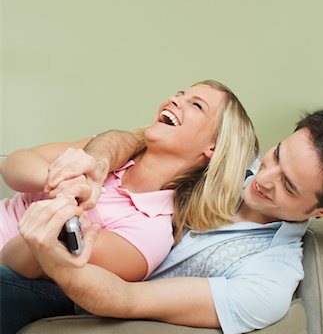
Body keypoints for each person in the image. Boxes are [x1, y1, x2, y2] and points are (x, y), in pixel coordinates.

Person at [1, 109, 323, 334]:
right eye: (277, 155)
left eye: (289, 186)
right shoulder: (229, 161)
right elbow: (138, 142)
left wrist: (57, 259)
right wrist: (97, 162)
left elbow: (127, 300)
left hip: (74, 288)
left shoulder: (266, 282)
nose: (262, 178)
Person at [0, 80, 258, 283]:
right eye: (180, 93)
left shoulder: (148, 236)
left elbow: (18, 264)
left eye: (196, 105)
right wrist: (62, 181)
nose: (174, 99)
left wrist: (66, 205)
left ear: (213, 147)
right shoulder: (105, 154)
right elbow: (13, 164)